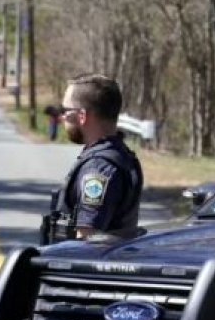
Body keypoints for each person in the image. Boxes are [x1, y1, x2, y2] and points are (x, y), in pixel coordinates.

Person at [46, 73, 143, 241]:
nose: (62, 117)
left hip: (85, 264)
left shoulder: (98, 168)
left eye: (66, 111)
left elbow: (87, 240)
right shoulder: (120, 155)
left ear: (82, 116)